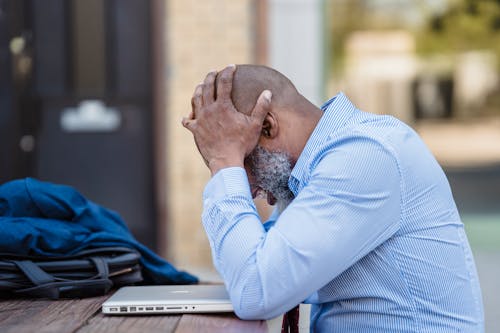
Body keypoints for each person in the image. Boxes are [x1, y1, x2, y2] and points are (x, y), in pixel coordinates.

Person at [182, 64, 484, 332]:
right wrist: (228, 164)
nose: (249, 190)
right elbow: (250, 262)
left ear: (268, 126)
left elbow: (255, 290)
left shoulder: (364, 156)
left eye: (242, 161)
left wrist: (223, 162)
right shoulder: (312, 171)